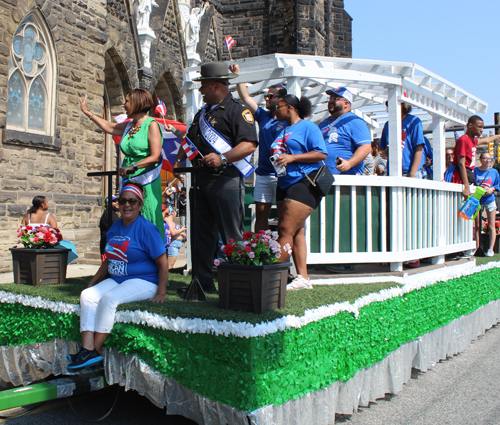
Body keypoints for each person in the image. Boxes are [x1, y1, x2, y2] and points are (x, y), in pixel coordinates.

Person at [173, 61, 258, 293]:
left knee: (231, 235)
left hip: (226, 180)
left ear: (216, 86)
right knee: (201, 235)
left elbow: (249, 144)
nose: (200, 91)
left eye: (203, 86)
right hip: (200, 180)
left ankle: (239, 284)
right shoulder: (203, 113)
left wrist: (223, 157)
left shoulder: (237, 110)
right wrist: (179, 159)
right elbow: (190, 139)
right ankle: (202, 283)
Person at [67, 182, 168, 371]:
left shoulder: (147, 229)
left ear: (140, 204)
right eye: (123, 201)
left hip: (144, 281)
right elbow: (109, 259)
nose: (127, 205)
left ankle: (93, 352)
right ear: (118, 204)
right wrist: (93, 282)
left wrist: (161, 292)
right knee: (87, 296)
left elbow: (163, 263)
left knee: (109, 299)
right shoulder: (114, 227)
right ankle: (86, 350)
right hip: (118, 278)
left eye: (132, 201)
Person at [79, 89, 164, 240]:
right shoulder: (129, 126)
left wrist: (133, 167)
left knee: (148, 212)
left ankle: (154, 253)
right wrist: (87, 112)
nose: (124, 105)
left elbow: (155, 156)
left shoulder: (151, 125)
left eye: (127, 101)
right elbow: (107, 126)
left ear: (137, 103)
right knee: (129, 213)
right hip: (129, 177)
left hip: (146, 178)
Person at [270, 94, 327, 290]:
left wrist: (293, 158)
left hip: (305, 181)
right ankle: (303, 278)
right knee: (296, 231)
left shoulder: (309, 127)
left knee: (285, 230)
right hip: (284, 183)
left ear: (291, 108)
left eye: (278, 106)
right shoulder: (283, 129)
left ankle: (272, 276)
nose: (275, 110)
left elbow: (321, 153)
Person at [229, 63, 287, 231]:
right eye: (266, 95)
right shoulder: (263, 116)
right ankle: (260, 249)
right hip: (263, 174)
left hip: (282, 174)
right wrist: (238, 75)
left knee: (284, 216)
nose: (266, 99)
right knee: (261, 216)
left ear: (281, 99)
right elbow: (246, 98)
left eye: (271, 96)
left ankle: (281, 251)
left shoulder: (289, 119)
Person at [318, 87, 371, 175]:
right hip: (322, 178)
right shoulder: (323, 124)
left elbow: (365, 147)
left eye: (335, 98)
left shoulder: (354, 121)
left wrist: (349, 163)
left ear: (346, 103)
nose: (331, 101)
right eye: (330, 98)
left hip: (346, 180)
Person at [445, 115, 500, 198]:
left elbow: (486, 140)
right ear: (470, 125)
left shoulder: (473, 140)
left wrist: (497, 136)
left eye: (482, 127)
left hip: (468, 175)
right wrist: (466, 187)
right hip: (459, 176)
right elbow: (461, 164)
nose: (482, 129)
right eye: (479, 127)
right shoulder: (463, 140)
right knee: (461, 206)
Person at [380, 102, 425, 178]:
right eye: (388, 104)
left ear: (404, 105)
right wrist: (387, 152)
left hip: (409, 172)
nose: (390, 106)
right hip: (392, 172)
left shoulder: (414, 121)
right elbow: (382, 149)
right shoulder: (388, 124)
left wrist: (412, 174)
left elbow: (419, 148)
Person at [474, 152, 499, 257]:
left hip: (490, 199)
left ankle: (491, 249)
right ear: (480, 159)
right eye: (485, 158)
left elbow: (497, 184)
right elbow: (471, 183)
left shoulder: (494, 172)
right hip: (477, 199)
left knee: (491, 225)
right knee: (477, 225)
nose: (488, 160)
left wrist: (491, 189)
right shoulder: (475, 170)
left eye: (489, 158)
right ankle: (476, 247)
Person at [99, 196, 120, 261]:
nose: (117, 202)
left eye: (117, 201)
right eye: (114, 201)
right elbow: (119, 226)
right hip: (108, 250)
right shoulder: (109, 214)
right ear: (108, 204)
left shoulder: (112, 213)